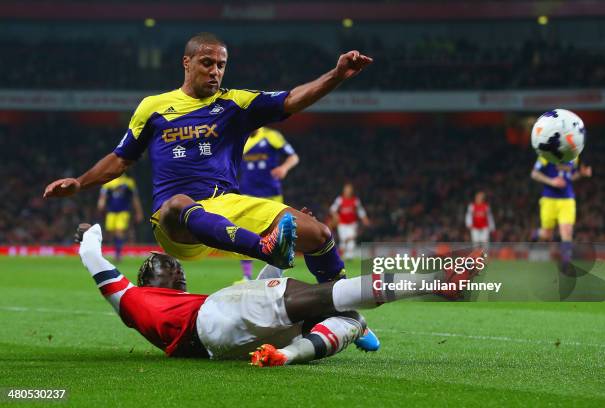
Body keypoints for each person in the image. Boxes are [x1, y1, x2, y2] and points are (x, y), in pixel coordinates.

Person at [44, 32, 373, 285]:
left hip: (228, 205)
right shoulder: (153, 107)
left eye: (221, 65)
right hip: (176, 222)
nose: (215, 71)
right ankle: (265, 248)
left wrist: (336, 75)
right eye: (207, 63)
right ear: (186, 63)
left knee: (318, 234)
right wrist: (80, 183)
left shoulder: (236, 104)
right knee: (178, 203)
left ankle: (341, 308)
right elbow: (121, 158)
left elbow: (290, 100)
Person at [76, 223, 478, 366]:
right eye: (170, 270)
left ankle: (290, 351)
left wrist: (279, 263)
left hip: (221, 345)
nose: (177, 273)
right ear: (150, 282)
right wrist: (89, 231)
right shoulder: (133, 300)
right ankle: (436, 282)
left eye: (178, 269)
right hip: (215, 319)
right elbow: (94, 258)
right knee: (332, 297)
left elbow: (257, 303)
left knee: (342, 315)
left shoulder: (168, 306)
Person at [237, 126, 299, 281]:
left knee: (279, 234)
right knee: (243, 233)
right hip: (247, 194)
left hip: (272, 193)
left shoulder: (271, 136)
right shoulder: (239, 137)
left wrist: (284, 168)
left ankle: (277, 274)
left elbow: (293, 157)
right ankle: (246, 276)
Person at [531, 156, 592, 268]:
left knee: (567, 231)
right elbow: (534, 173)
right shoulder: (546, 154)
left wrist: (581, 174)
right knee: (547, 234)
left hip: (567, 199)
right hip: (549, 199)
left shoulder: (574, 155)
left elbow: (570, 177)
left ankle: (566, 263)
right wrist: (551, 181)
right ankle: (536, 233)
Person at [97, 173, 144, 261]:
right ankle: (116, 251)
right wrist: (101, 203)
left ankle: (118, 255)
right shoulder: (108, 182)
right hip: (111, 212)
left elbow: (134, 198)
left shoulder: (128, 182)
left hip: (123, 212)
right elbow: (103, 196)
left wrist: (139, 212)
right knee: (111, 232)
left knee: (119, 231)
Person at [329, 183, 370, 260]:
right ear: (343, 191)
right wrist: (336, 216)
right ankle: (342, 256)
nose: (347, 192)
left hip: (352, 224)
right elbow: (332, 209)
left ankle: (349, 257)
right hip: (342, 224)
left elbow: (360, 210)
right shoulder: (340, 199)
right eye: (346, 190)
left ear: (351, 191)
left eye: (349, 190)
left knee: (351, 239)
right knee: (343, 240)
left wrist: (364, 218)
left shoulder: (355, 200)